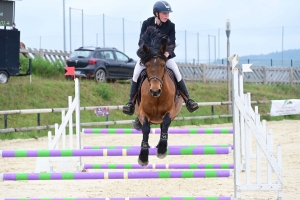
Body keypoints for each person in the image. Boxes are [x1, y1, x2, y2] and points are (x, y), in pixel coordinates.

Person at [122, 1, 199, 115]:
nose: (167, 15)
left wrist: (167, 53)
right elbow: (141, 42)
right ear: (156, 13)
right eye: (164, 13)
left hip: (163, 58)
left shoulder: (171, 26)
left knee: (177, 73)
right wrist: (148, 53)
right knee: (136, 73)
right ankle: (131, 103)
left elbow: (172, 42)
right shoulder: (146, 23)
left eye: (168, 13)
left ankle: (188, 100)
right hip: (148, 58)